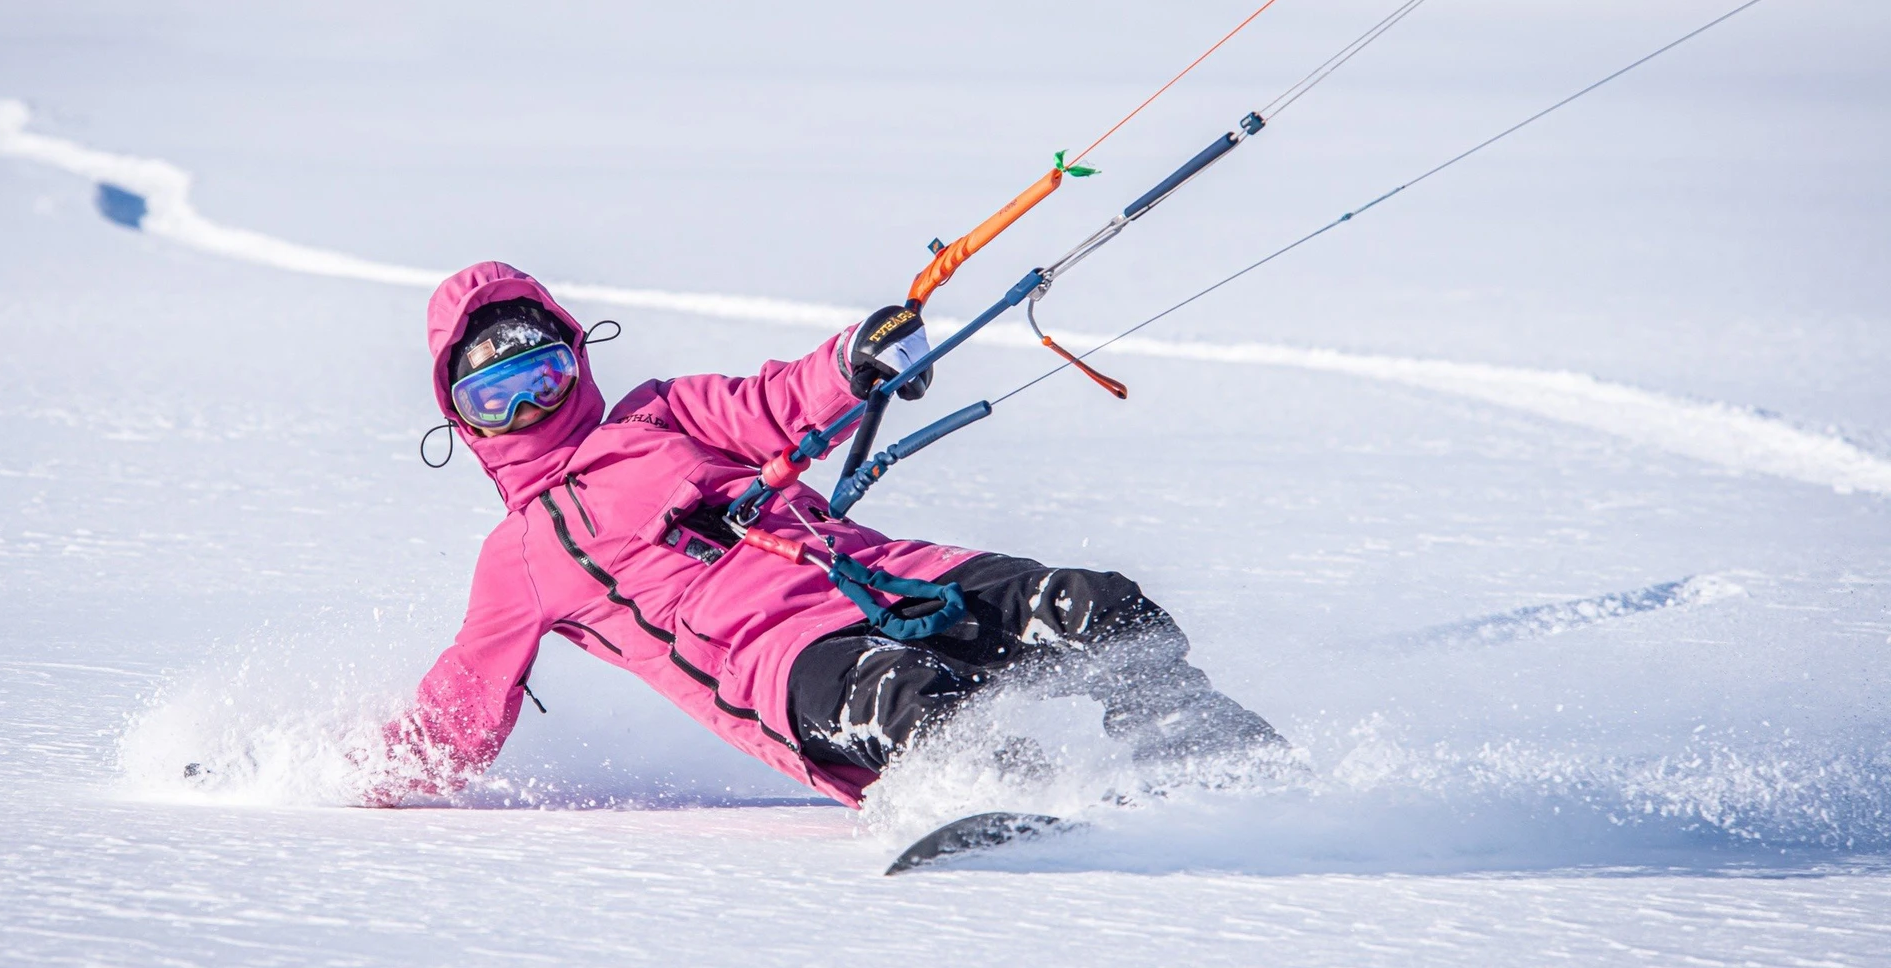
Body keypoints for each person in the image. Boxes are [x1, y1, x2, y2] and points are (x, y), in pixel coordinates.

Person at [373, 260, 1280, 806]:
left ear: (576, 360)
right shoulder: (522, 554)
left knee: (1094, 603)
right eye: (495, 397)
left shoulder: (660, 414)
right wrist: (340, 777)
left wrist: (856, 359)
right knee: (916, 700)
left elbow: (772, 404)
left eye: (542, 375)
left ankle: (1203, 749)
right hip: (777, 659)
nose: (529, 408)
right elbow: (461, 702)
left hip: (886, 574)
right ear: (462, 419)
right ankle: (1025, 802)